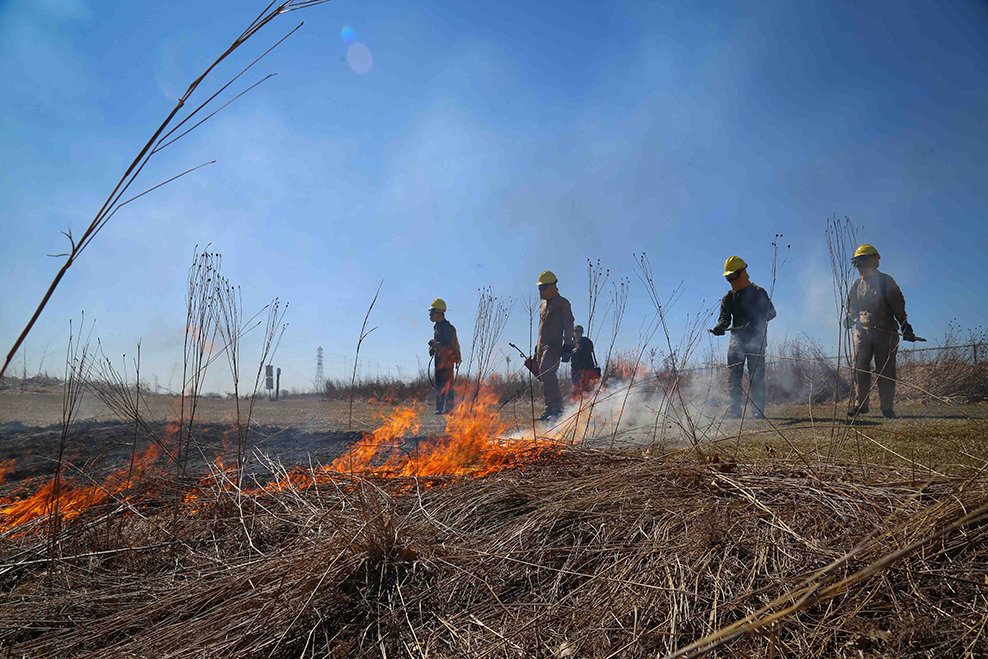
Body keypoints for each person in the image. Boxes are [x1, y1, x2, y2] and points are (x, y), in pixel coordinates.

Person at [843, 244, 915, 419]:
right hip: (862, 333)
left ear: (871, 261)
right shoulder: (856, 285)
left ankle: (887, 408)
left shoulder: (885, 281)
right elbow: (852, 307)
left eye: (861, 261)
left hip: (885, 332)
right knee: (859, 369)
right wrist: (848, 317)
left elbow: (898, 304)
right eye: (857, 262)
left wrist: (905, 325)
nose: (859, 265)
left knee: (885, 370)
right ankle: (860, 405)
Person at [710, 256, 777, 419]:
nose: (730, 280)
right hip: (736, 342)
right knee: (734, 378)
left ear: (742, 273)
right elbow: (724, 318)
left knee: (756, 377)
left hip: (756, 341)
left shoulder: (759, 292)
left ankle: (758, 411)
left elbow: (771, 313)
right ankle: (735, 410)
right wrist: (720, 327)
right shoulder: (729, 297)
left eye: (732, 276)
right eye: (728, 277)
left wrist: (755, 322)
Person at [534, 270, 574, 421]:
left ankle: (558, 408)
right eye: (539, 287)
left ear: (551, 286)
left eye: (542, 287)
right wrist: (537, 346)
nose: (540, 291)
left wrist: (568, 345)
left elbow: (569, 324)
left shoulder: (562, 303)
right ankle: (549, 409)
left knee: (547, 372)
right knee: (544, 376)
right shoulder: (542, 305)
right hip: (541, 346)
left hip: (553, 345)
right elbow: (541, 327)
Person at [428, 298, 461, 415]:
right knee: (439, 384)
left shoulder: (447, 327)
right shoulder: (437, 327)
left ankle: (449, 408)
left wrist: (435, 344)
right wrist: (433, 349)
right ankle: (439, 408)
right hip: (439, 359)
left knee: (447, 384)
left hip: (447, 359)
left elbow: (446, 344)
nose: (430, 314)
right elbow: (439, 343)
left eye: (431, 311)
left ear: (438, 312)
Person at [566, 324, 599, 397]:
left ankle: (587, 404)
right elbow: (565, 356)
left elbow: (589, 348)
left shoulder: (586, 341)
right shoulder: (571, 344)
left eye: (579, 331)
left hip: (586, 369)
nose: (577, 333)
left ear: (582, 332)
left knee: (586, 389)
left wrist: (579, 349)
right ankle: (576, 405)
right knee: (576, 388)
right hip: (575, 370)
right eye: (575, 331)